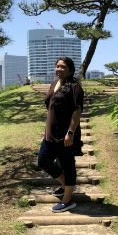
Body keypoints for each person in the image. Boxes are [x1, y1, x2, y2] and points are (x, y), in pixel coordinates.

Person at [38, 57, 84, 212]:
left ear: (70, 70)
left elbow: (77, 111)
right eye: (57, 66)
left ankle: (67, 200)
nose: (59, 69)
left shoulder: (75, 87)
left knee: (67, 164)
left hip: (66, 135)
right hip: (50, 134)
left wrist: (70, 132)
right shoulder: (53, 84)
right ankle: (66, 185)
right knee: (43, 160)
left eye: (63, 67)